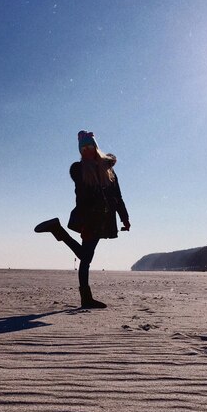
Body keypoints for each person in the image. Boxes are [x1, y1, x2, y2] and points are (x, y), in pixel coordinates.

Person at [34, 130, 130, 308]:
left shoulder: (109, 170)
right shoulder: (80, 170)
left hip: (105, 219)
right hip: (91, 218)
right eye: (83, 148)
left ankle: (58, 230)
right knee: (86, 258)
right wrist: (85, 224)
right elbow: (81, 198)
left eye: (89, 146)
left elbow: (118, 197)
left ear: (95, 146)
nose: (86, 150)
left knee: (85, 257)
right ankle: (86, 298)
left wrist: (125, 218)